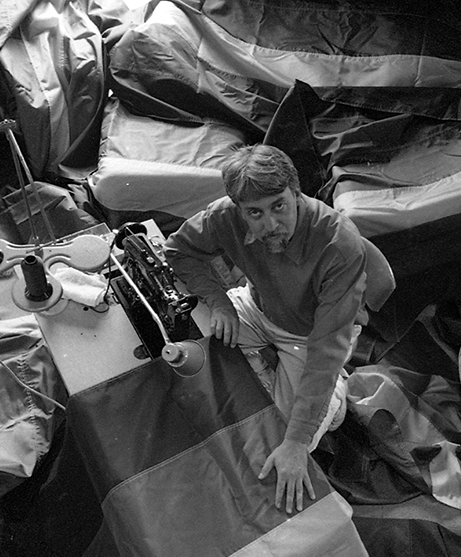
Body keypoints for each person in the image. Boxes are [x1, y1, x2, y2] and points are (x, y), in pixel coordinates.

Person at [163, 144, 384, 515]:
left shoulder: (339, 245)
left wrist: (297, 442)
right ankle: (279, 375)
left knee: (281, 444)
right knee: (192, 347)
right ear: (239, 210)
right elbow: (179, 250)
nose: (270, 224)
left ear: (297, 194)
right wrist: (220, 304)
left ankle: (333, 395)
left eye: (279, 206)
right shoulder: (225, 215)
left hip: (311, 340)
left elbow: (327, 348)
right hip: (254, 307)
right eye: (255, 213)